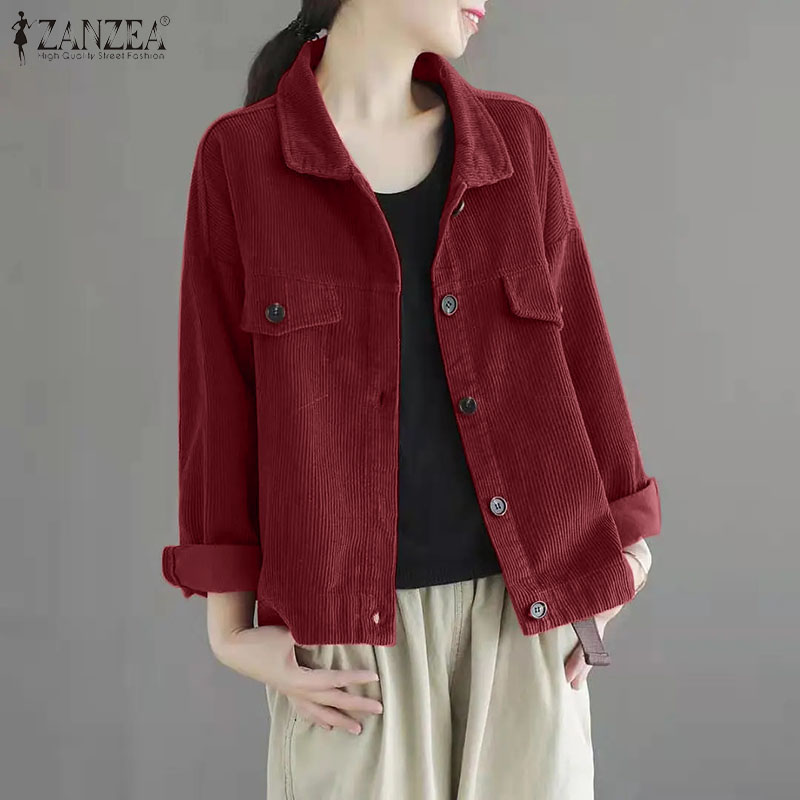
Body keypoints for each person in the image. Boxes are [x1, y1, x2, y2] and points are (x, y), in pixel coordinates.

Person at [161, 2, 661, 798]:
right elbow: (218, 400)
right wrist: (230, 631)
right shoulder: (242, 159)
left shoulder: (516, 143)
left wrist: (629, 552)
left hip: (525, 619)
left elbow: (582, 353)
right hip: (349, 648)